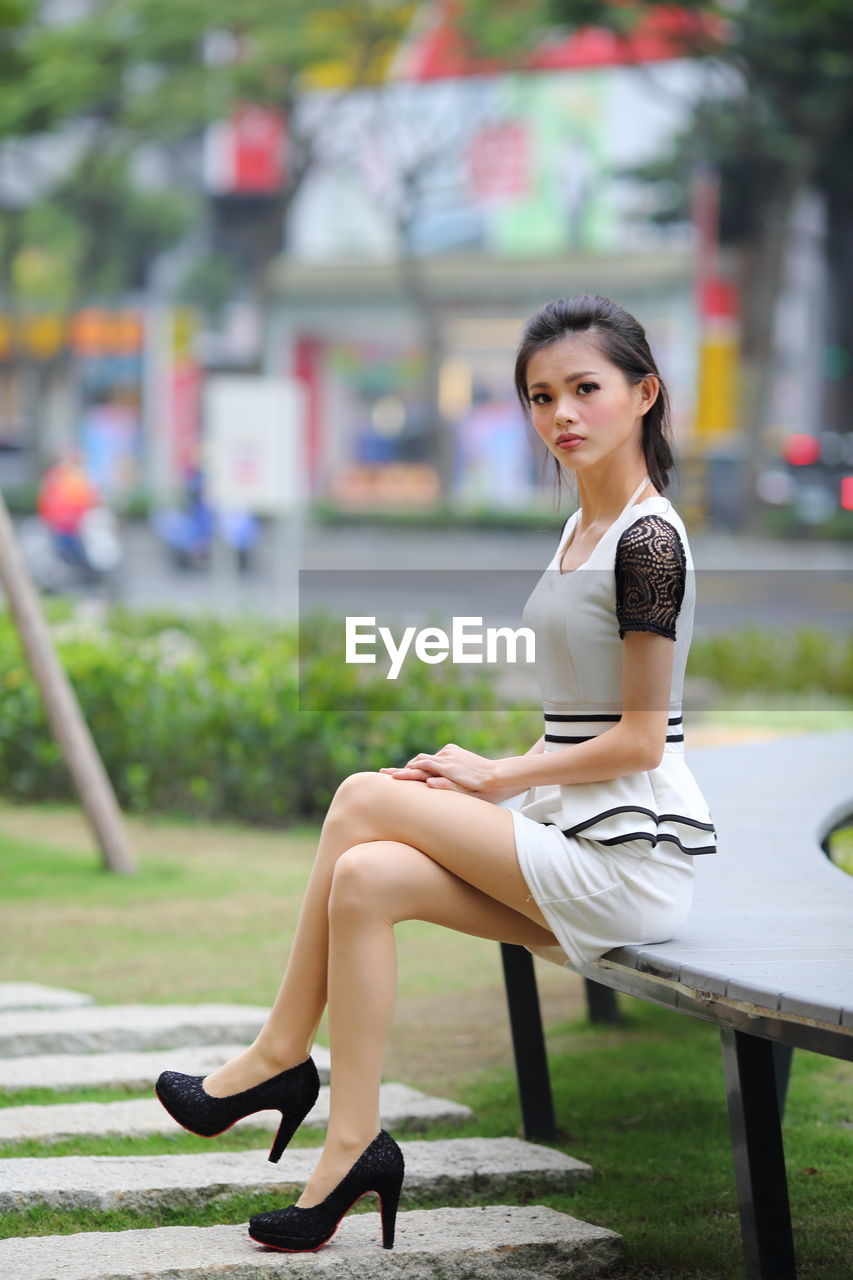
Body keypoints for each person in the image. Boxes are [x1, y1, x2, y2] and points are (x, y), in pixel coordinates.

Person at [155, 293, 716, 1254]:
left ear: (644, 394)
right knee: (367, 880)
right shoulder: (581, 529)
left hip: (628, 861)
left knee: (363, 796)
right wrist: (505, 780)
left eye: (585, 390)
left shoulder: (646, 541)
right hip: (573, 837)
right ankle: (352, 1143)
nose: (561, 416)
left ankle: (279, 1056)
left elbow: (638, 740)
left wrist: (495, 776)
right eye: (540, 397)